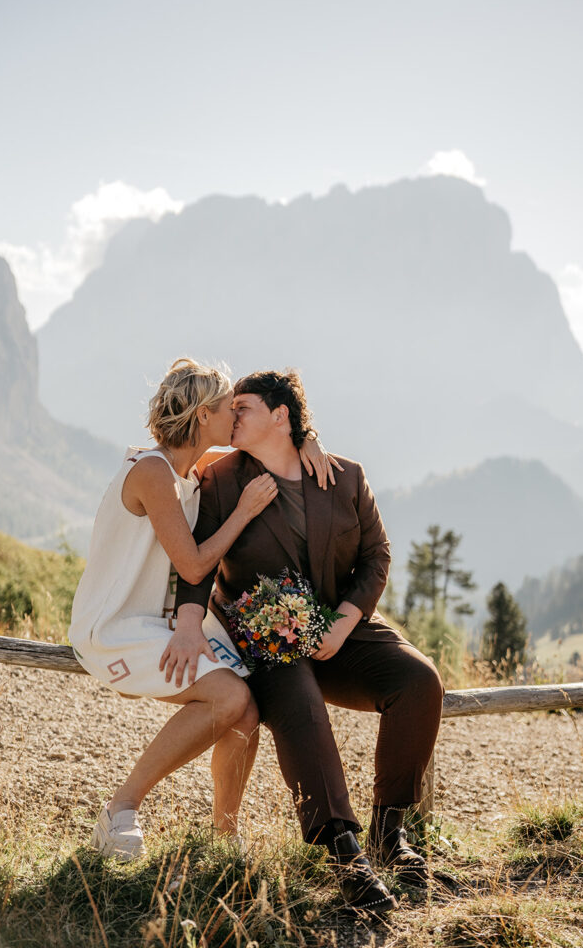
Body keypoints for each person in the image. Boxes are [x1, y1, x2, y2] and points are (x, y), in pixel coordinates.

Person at [175, 370, 444, 915]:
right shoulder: (219, 478)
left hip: (338, 627)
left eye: (243, 406)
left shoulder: (345, 477)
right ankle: (344, 853)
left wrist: (343, 624)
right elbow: (197, 562)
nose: (232, 415)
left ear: (281, 417)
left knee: (419, 682)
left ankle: (389, 834)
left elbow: (377, 557)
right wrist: (187, 620)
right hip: (262, 639)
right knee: (299, 704)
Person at [69, 358, 336, 860]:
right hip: (114, 627)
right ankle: (119, 810)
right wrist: (243, 512)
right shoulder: (152, 471)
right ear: (200, 418)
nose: (235, 416)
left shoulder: (194, 473)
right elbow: (192, 568)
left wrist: (307, 437)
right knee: (228, 698)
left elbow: (281, 430)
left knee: (247, 708)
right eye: (226, 409)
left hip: (159, 622)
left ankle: (223, 838)